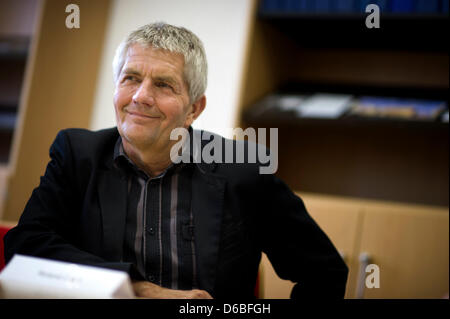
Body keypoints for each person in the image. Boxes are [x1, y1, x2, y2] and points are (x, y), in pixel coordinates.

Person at [4, 22, 348, 299]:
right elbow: (26, 243)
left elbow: (324, 272)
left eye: (164, 85)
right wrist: (137, 289)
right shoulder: (77, 154)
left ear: (194, 109)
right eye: (131, 78)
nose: (141, 97)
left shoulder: (244, 169)